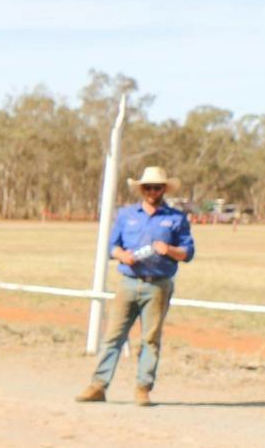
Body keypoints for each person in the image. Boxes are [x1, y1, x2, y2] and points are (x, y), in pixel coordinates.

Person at [78, 166, 196, 406]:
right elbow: (112, 246)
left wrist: (170, 250)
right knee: (113, 336)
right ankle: (98, 385)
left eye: (157, 187)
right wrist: (122, 255)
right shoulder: (126, 215)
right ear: (141, 189)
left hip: (158, 286)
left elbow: (188, 252)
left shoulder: (175, 219)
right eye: (148, 187)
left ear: (164, 189)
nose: (152, 191)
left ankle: (143, 388)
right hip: (128, 282)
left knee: (150, 339)